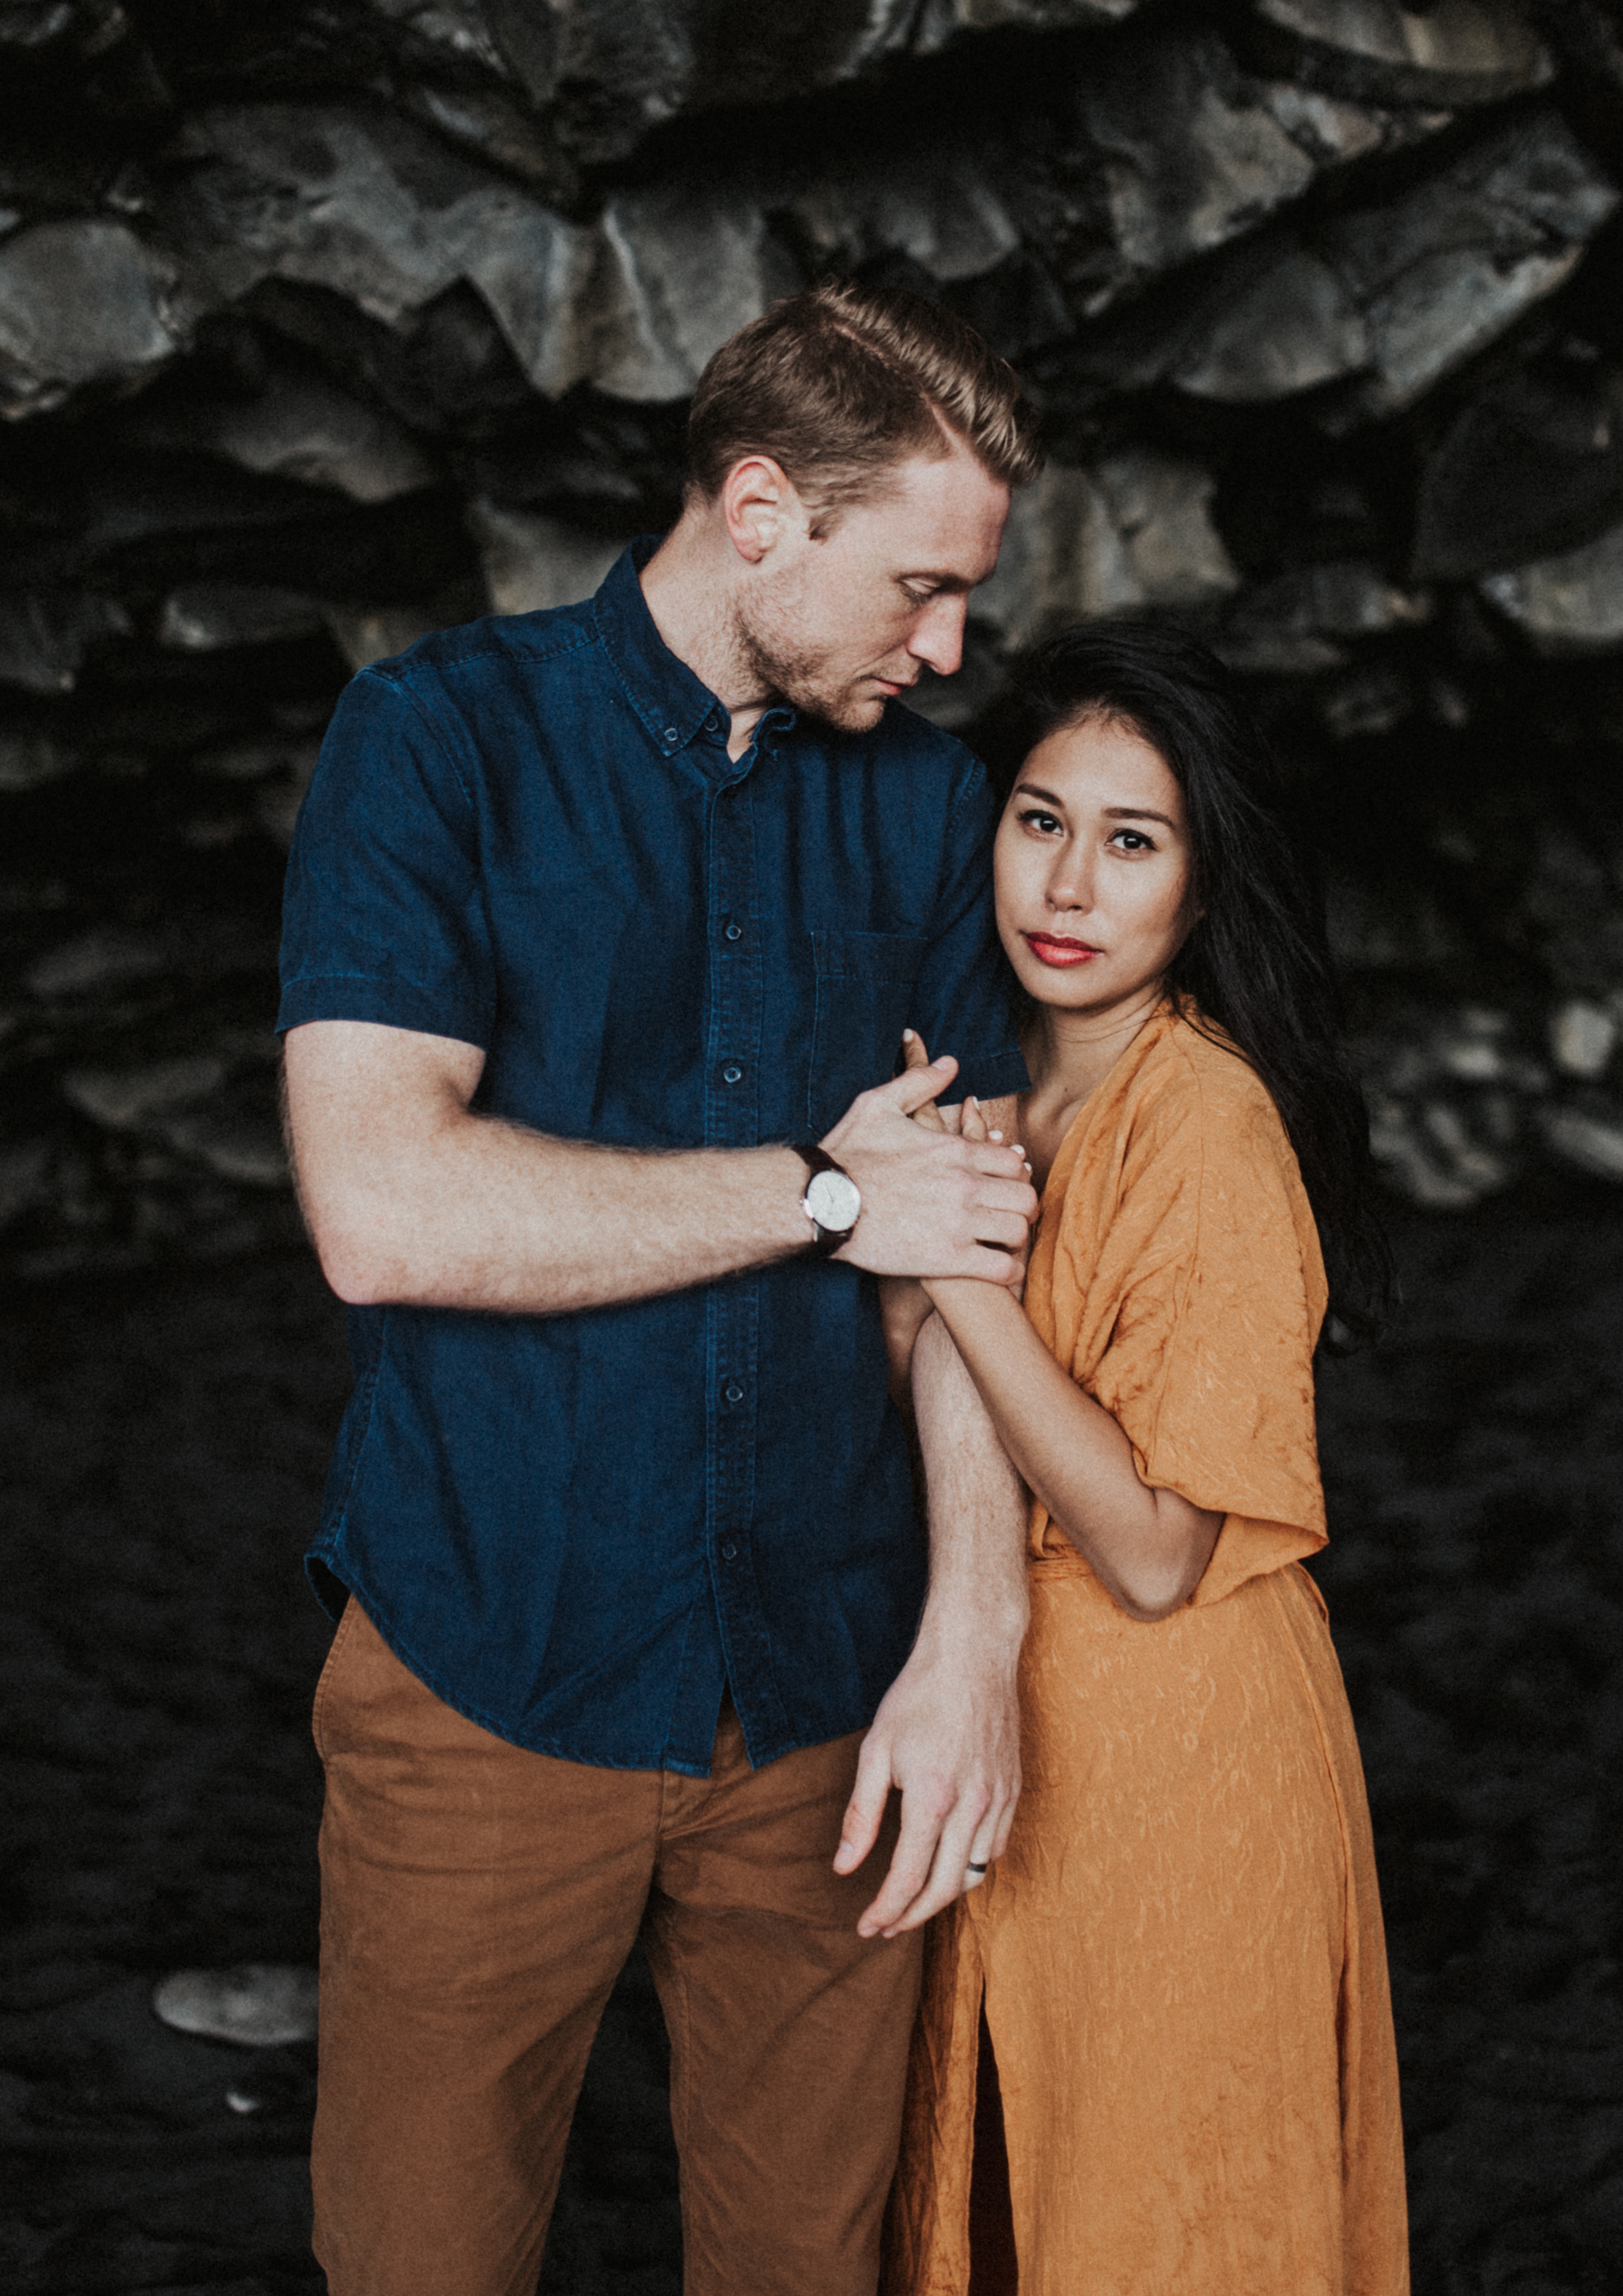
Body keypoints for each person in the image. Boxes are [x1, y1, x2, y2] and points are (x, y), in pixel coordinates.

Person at [276, 280, 1050, 2296]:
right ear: (765, 506)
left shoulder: (931, 804)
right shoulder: (433, 736)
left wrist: (965, 1641)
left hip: (831, 1694)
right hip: (487, 1657)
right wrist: (812, 1188)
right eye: (918, 585)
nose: (950, 644)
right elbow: (380, 1206)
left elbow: (955, 1260)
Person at [881, 615, 1410, 2296]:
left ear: (1199, 883)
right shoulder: (987, 1088)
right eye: (1037, 820)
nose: (1067, 885)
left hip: (1184, 1754)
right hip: (1018, 1722)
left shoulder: (1206, 1120)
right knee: (1030, 2196)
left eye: (1130, 842)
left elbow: (1158, 1546)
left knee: (1165, 2215)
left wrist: (955, 1270)